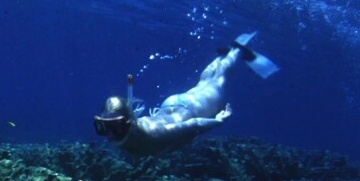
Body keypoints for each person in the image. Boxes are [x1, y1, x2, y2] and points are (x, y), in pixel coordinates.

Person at [94, 32, 278, 157]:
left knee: (218, 83)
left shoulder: (155, 134)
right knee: (204, 83)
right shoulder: (130, 128)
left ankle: (236, 51)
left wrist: (218, 121)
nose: (110, 135)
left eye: (115, 127)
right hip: (172, 104)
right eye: (103, 127)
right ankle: (222, 56)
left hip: (192, 109)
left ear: (128, 123)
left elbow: (193, 125)